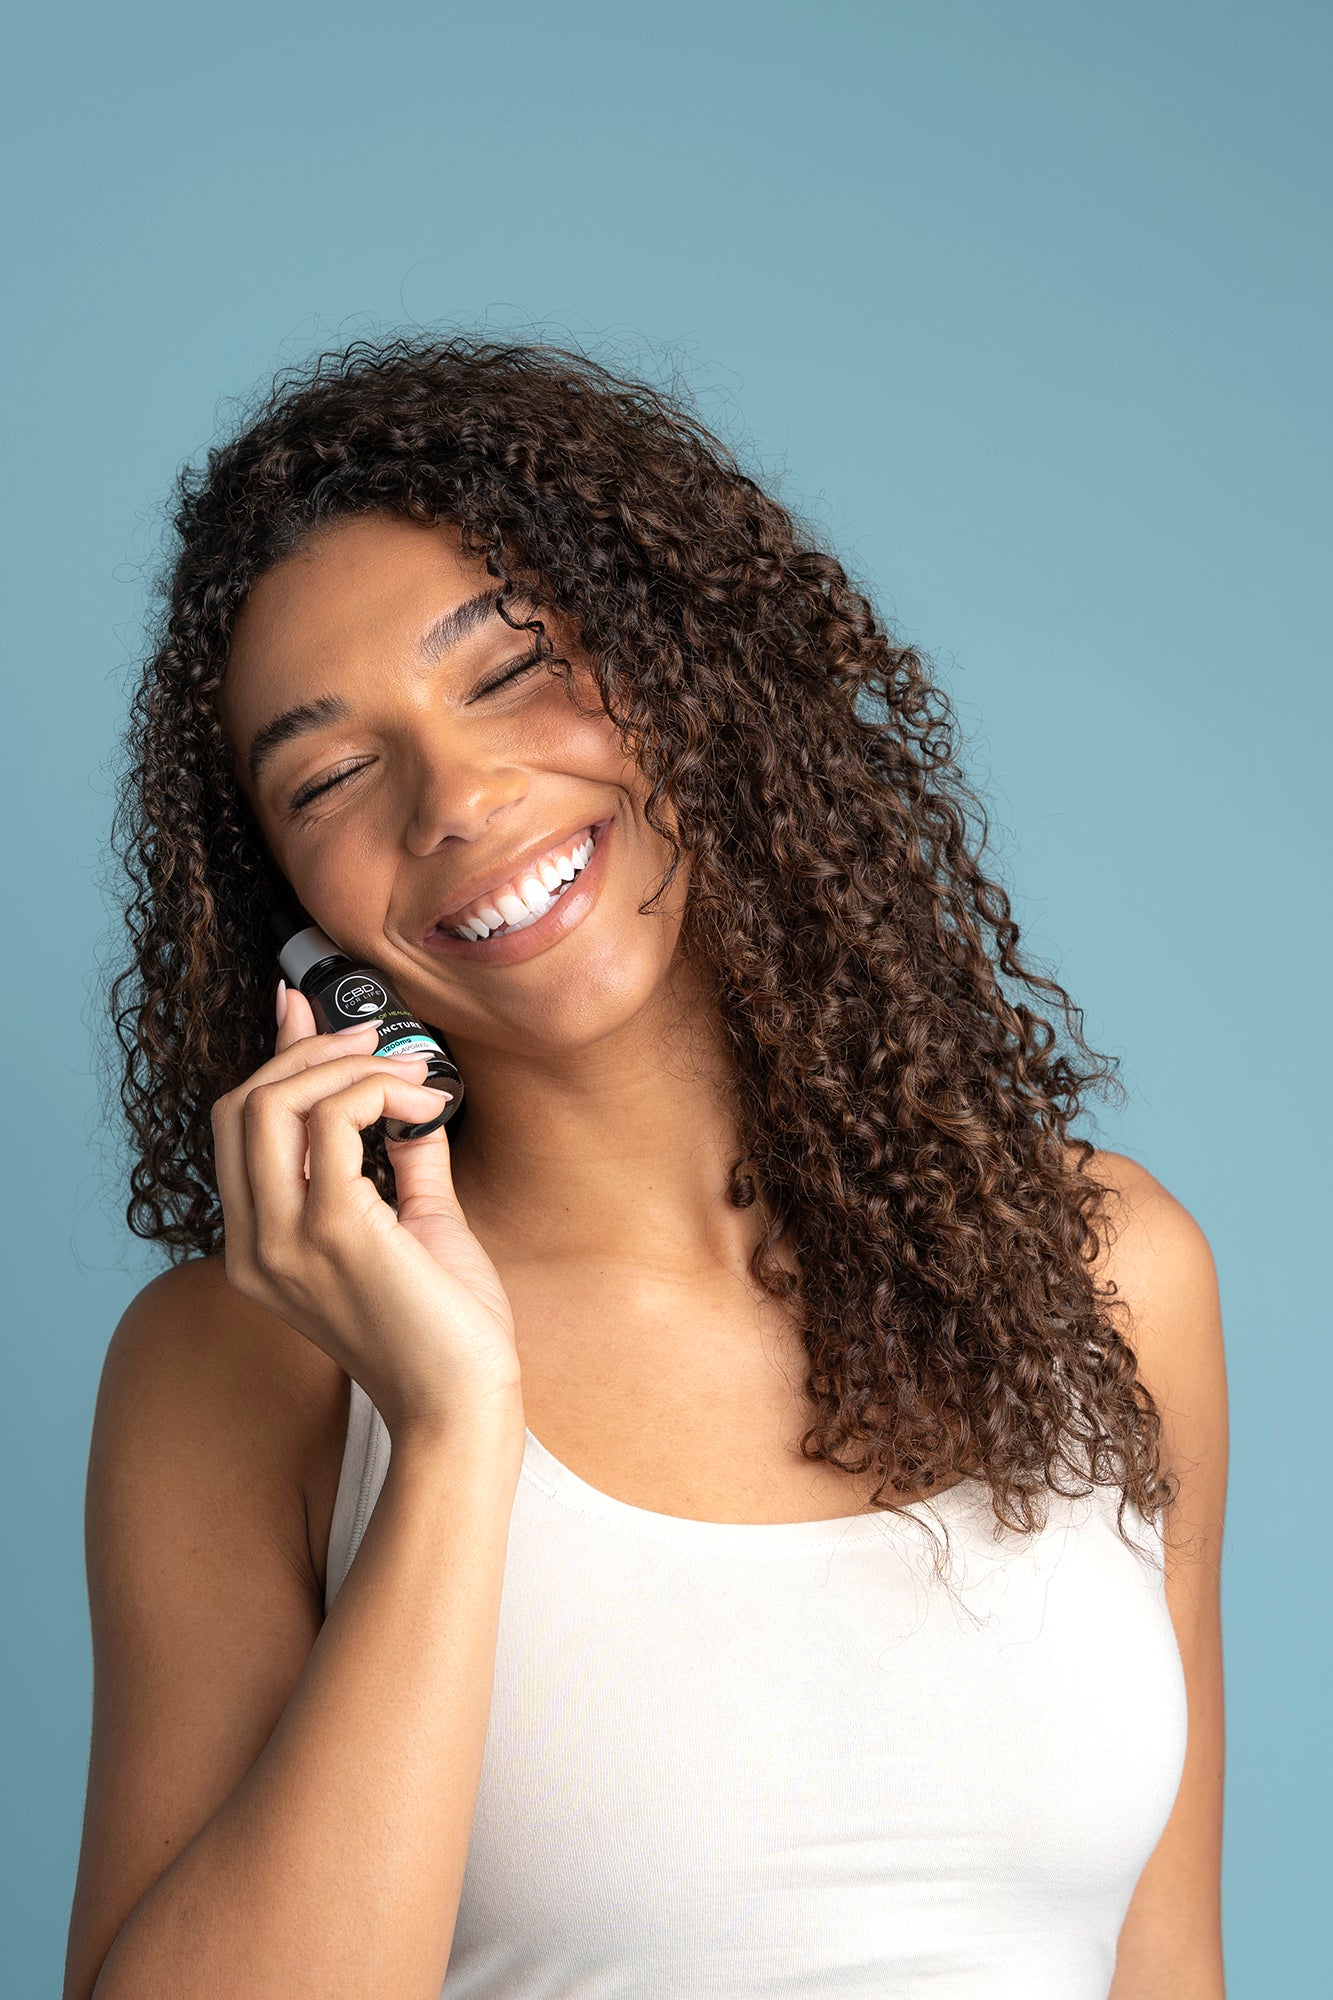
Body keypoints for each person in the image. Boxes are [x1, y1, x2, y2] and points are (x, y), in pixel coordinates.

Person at [63, 337, 1228, 2000]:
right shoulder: (251, 1362)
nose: (457, 796)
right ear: (295, 914)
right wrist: (458, 1432)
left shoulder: (1111, 1272)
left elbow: (1161, 1961)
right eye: (329, 774)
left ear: (690, 667)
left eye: (507, 670)